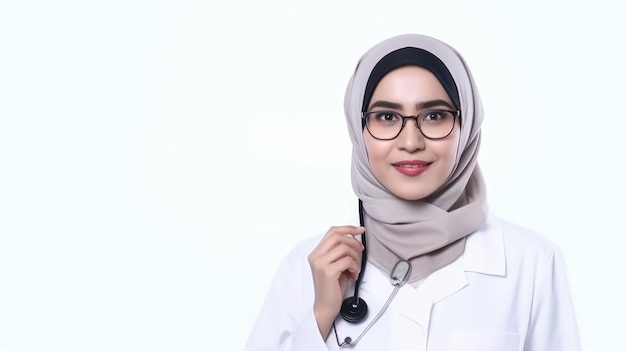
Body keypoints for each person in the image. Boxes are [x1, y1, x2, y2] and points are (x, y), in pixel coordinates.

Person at [244, 34, 580, 350]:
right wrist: (319, 318)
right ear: (358, 129)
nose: (410, 142)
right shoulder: (308, 268)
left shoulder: (532, 263)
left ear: (467, 125)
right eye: (387, 116)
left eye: (434, 115)